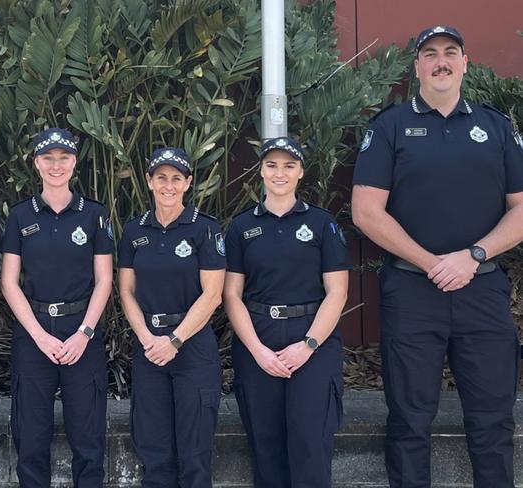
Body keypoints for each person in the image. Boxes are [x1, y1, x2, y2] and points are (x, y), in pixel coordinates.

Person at [352, 26, 523, 487]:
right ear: (417, 68)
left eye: (451, 53)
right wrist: (433, 263)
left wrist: (472, 256)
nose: (441, 61)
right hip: (412, 290)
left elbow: (522, 208)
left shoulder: (496, 127)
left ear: (466, 63)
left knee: (493, 421)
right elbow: (366, 212)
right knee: (409, 420)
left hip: (482, 287)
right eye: (430, 54)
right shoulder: (388, 127)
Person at [223, 137, 350, 487]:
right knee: (266, 446)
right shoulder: (241, 227)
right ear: (261, 170)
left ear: (301, 172)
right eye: (272, 165)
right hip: (258, 339)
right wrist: (257, 350)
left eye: (289, 166)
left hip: (312, 338)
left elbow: (337, 292)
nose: (280, 173)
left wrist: (307, 345)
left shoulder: (322, 224)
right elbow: (232, 295)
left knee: (311, 443)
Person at [1, 128, 113, 487]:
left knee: (89, 441)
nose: (56, 165)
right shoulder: (20, 216)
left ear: (74, 163)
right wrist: (39, 336)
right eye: (47, 158)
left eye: (63, 158)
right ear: (36, 163)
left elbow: (105, 280)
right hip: (34, 336)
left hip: (82, 333)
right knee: (31, 440)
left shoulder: (93, 215)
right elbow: (9, 282)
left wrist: (84, 333)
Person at [117, 147, 225, 487]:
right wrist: (149, 339)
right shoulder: (135, 231)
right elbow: (126, 292)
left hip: (192, 348)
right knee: (154, 449)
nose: (168, 185)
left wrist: (175, 339)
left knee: (194, 453)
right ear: (149, 182)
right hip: (149, 348)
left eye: (176, 178)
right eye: (161, 177)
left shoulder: (204, 229)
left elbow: (213, 295)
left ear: (188, 183)